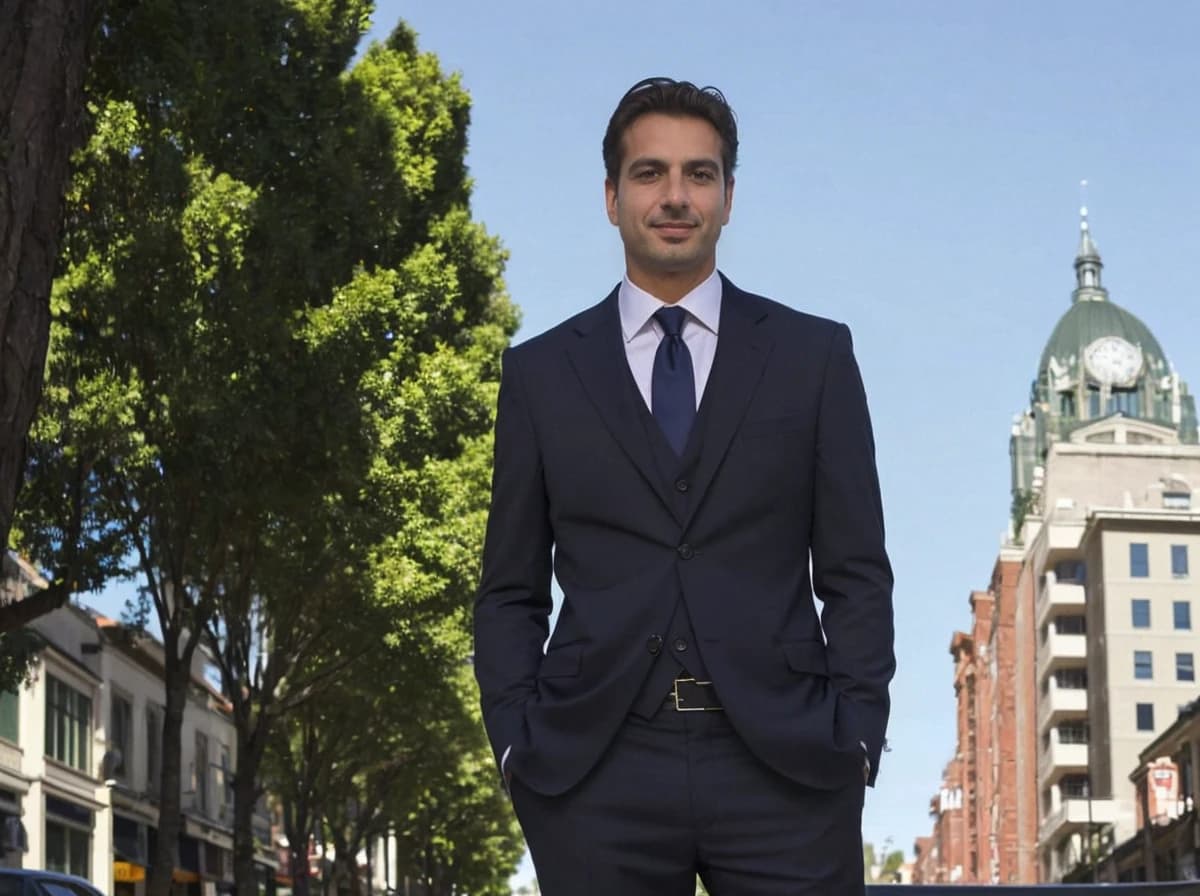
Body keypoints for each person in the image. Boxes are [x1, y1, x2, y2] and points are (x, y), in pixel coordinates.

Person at [474, 76, 894, 895]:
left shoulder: (814, 358)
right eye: (649, 173)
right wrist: (516, 743)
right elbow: (509, 589)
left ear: (729, 197)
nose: (675, 196)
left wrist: (858, 736)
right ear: (610, 196)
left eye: (699, 174)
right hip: (594, 771)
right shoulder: (540, 375)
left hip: (789, 768)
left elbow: (856, 571)